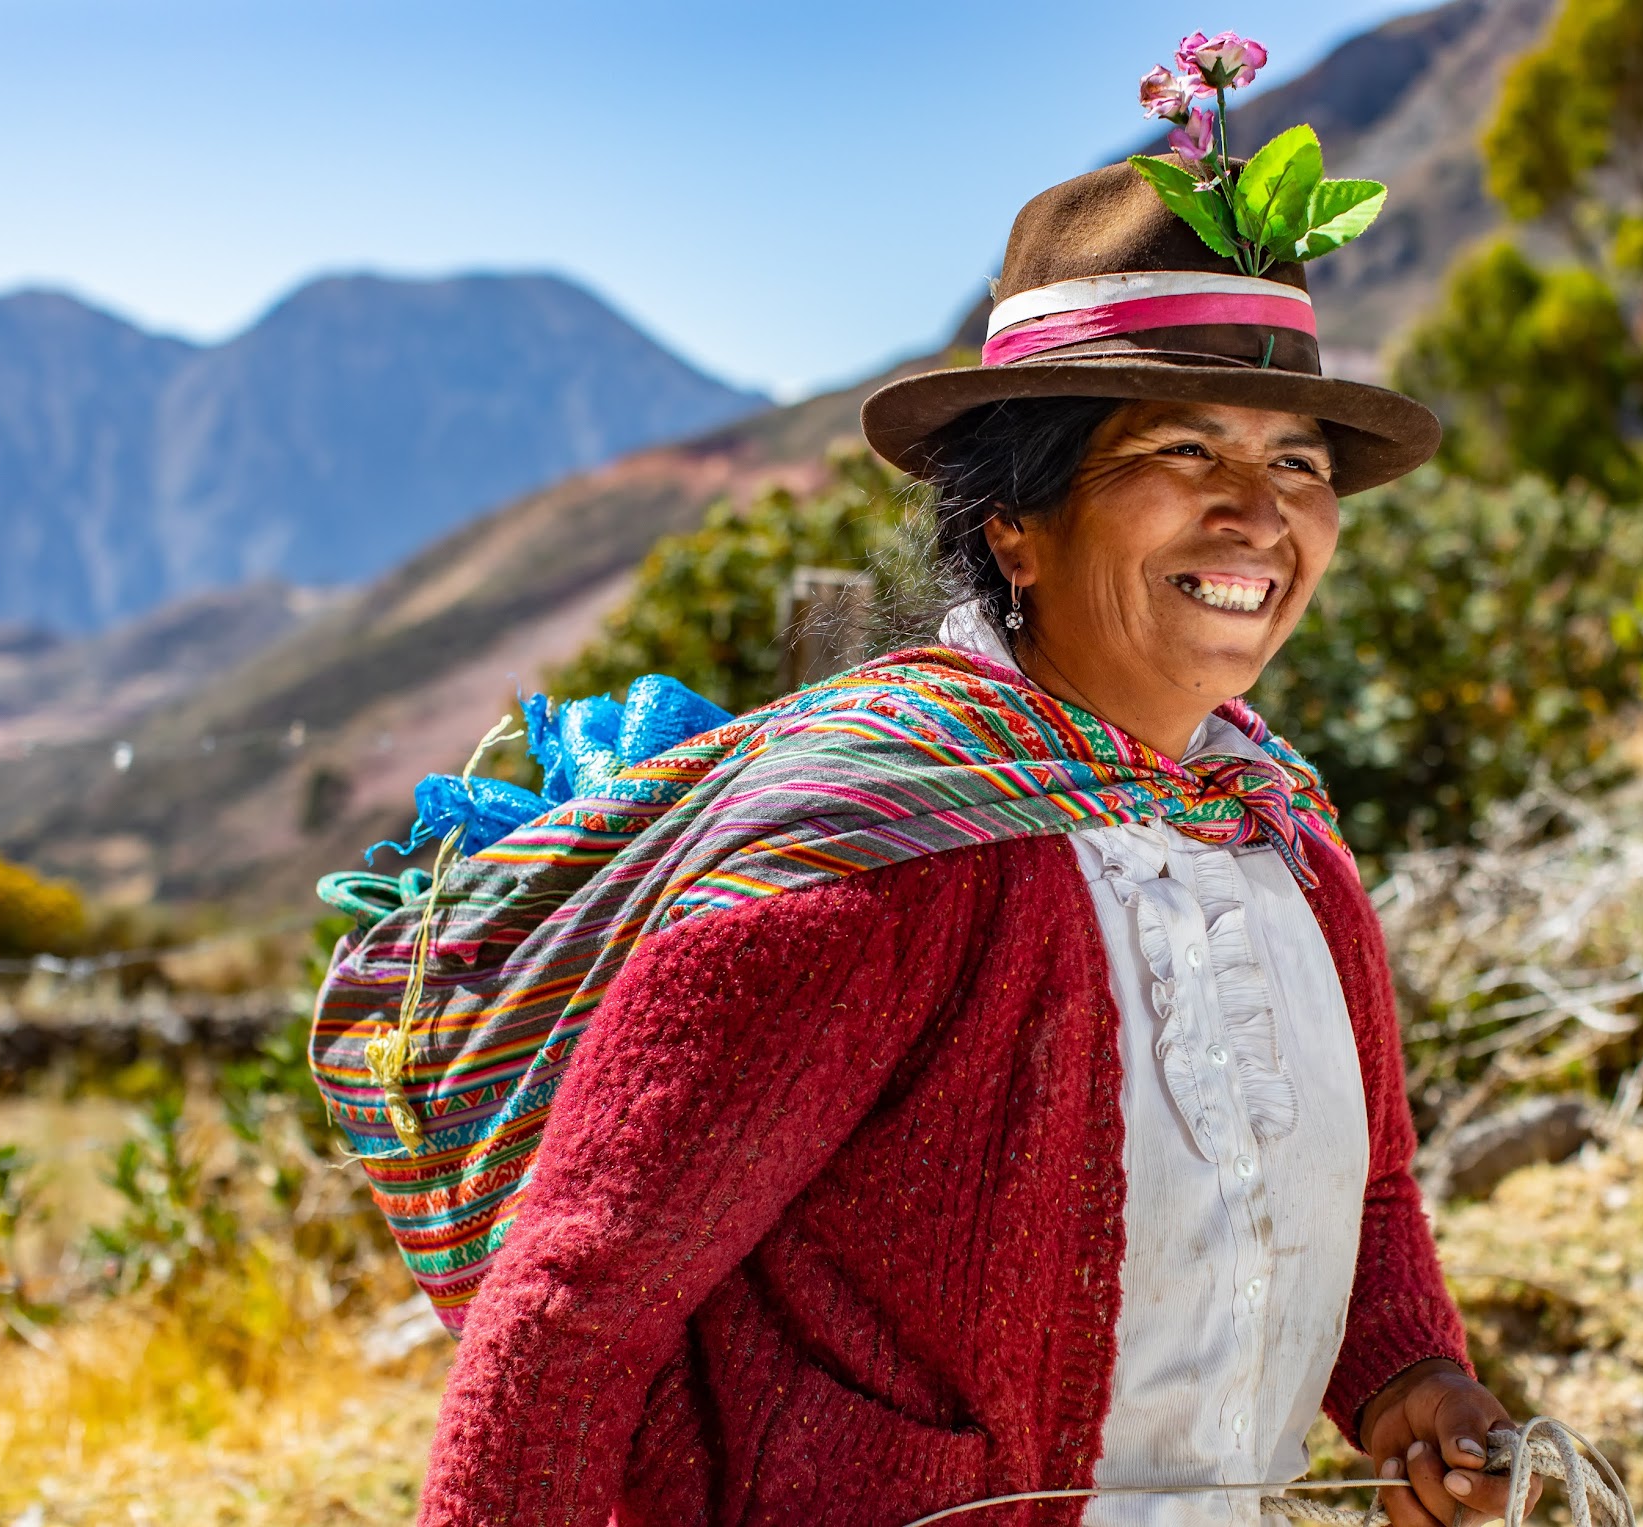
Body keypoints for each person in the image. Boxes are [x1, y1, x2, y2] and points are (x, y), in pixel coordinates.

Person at [416, 157, 1528, 1527]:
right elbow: (570, 1313)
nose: (1257, 509)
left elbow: (1364, 1200)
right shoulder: (869, 866)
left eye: (1294, 462)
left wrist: (1405, 1373)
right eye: (1183, 450)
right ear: (1015, 529)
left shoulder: (1282, 845)